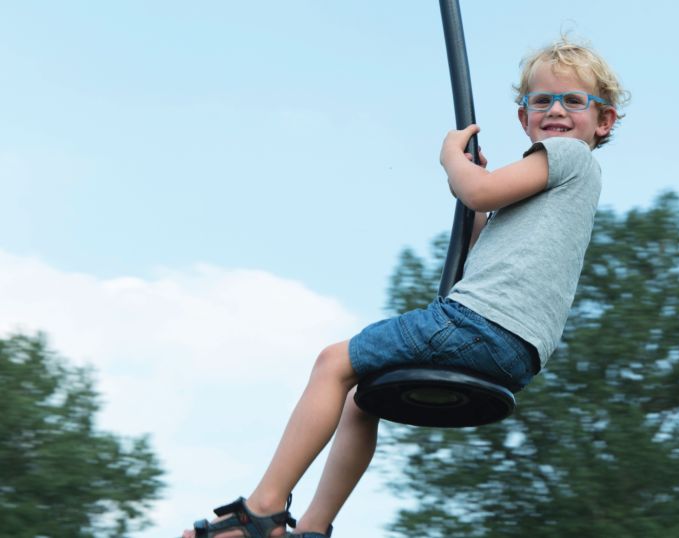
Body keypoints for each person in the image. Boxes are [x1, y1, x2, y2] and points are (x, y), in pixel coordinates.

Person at [182, 36, 627, 538]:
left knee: (333, 363)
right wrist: (474, 195)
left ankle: (261, 512)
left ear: (603, 120)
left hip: (480, 324)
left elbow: (475, 189)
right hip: (515, 350)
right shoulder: (553, 186)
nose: (556, 111)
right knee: (359, 398)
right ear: (523, 117)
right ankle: (313, 527)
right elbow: (479, 241)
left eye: (574, 100)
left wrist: (453, 162)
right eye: (541, 100)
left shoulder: (569, 156)